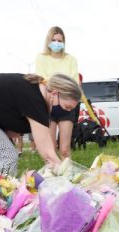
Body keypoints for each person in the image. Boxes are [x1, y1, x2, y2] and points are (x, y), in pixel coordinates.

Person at [35, 26, 79, 159]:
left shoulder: (70, 59)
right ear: (48, 41)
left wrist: (55, 83)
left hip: (66, 106)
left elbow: (74, 82)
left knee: (65, 149)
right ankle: (53, 176)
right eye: (54, 40)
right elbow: (42, 79)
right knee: (51, 148)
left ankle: (68, 175)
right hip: (48, 106)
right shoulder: (41, 58)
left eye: (60, 41)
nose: (57, 43)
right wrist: (62, 84)